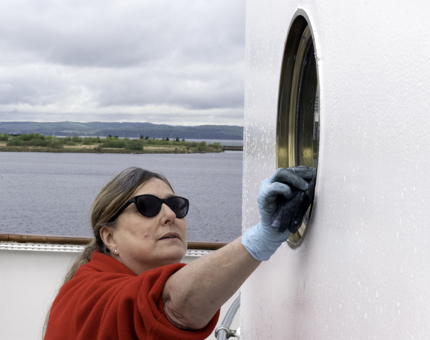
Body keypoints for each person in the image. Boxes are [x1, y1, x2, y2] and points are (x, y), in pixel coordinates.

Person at [43, 166, 315, 339]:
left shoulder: (85, 281)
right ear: (109, 236)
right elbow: (170, 306)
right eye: (147, 206)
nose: (170, 214)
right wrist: (261, 238)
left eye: (176, 205)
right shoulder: (92, 293)